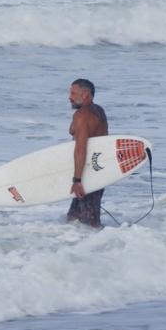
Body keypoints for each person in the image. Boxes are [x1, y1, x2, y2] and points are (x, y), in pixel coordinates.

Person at [67, 78, 108, 228]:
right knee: (74, 218)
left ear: (84, 94)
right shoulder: (99, 110)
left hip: (87, 173)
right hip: (98, 169)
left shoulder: (82, 115)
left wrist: (77, 181)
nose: (69, 97)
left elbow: (81, 148)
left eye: (73, 93)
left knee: (89, 222)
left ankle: (98, 246)